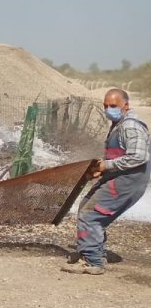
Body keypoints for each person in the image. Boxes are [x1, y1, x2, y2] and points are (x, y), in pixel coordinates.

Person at [62, 88, 149, 275]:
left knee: (91, 214)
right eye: (105, 106)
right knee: (86, 207)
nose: (108, 109)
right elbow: (121, 155)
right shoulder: (118, 124)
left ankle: (92, 261)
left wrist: (106, 166)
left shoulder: (131, 126)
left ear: (126, 105)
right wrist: (102, 172)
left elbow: (139, 157)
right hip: (119, 178)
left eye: (113, 106)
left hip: (127, 182)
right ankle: (94, 253)